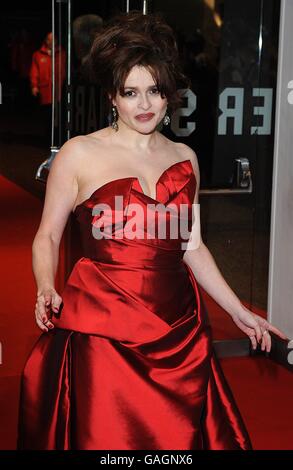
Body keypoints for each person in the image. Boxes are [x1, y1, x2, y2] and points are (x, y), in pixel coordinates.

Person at [17, 11, 287, 450]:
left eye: (155, 91)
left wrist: (237, 310)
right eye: (131, 92)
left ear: (169, 96)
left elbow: (193, 247)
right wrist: (45, 286)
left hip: (178, 327)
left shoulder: (185, 157)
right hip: (105, 330)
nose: (144, 105)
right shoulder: (79, 154)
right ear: (112, 96)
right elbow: (47, 235)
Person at [30, 32, 66, 144]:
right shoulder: (38, 55)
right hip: (46, 92)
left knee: (60, 116)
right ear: (46, 41)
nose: (51, 42)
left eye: (53, 39)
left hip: (60, 91)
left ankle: (60, 138)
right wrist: (34, 86)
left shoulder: (62, 54)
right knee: (48, 116)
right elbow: (34, 72)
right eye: (49, 39)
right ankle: (48, 140)